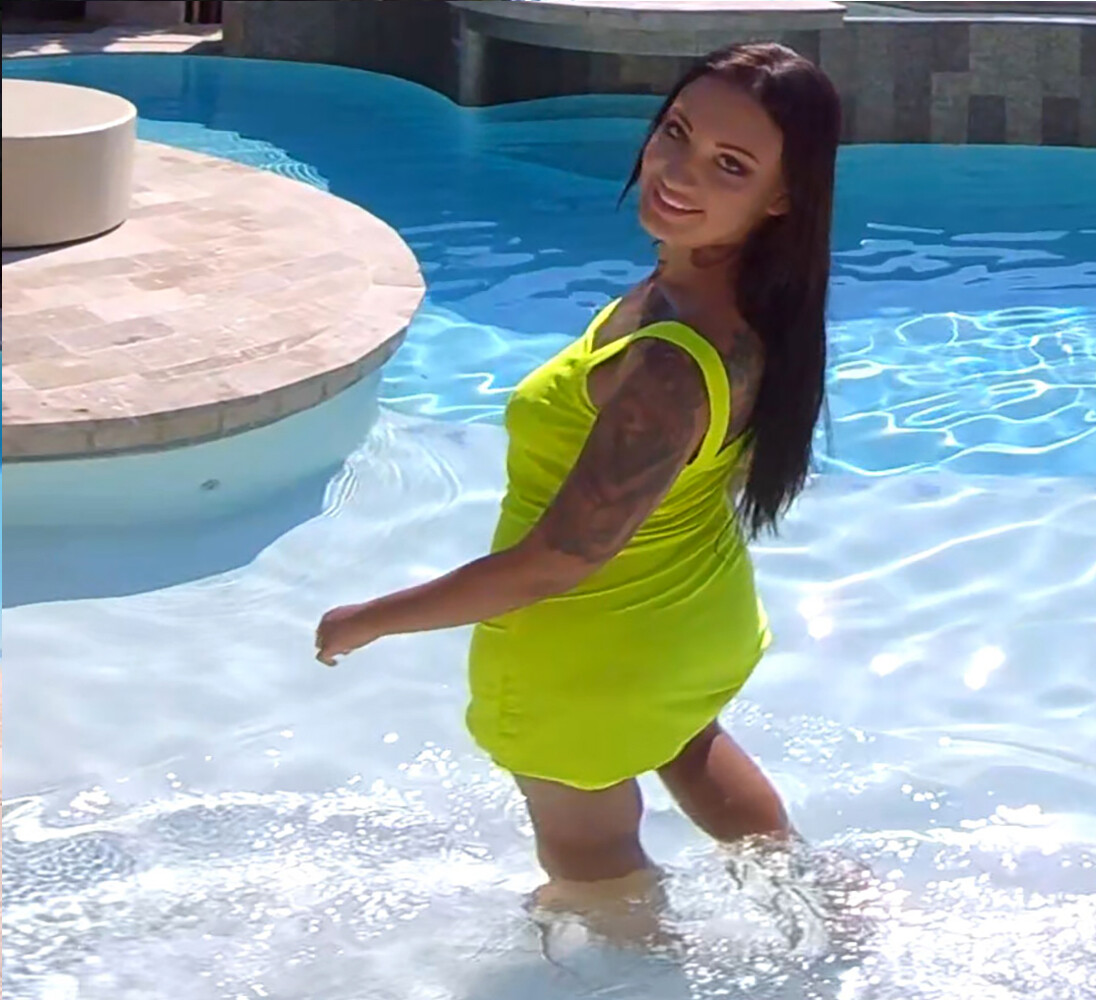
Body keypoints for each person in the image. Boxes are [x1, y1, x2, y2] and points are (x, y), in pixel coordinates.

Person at [315, 42, 842, 935]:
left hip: (589, 664)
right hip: (692, 625)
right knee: (685, 741)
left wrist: (370, 619)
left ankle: (643, 975)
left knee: (592, 868)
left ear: (781, 196)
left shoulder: (671, 368)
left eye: (730, 165)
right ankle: (825, 905)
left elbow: (558, 560)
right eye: (676, 132)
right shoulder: (742, 302)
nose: (678, 171)